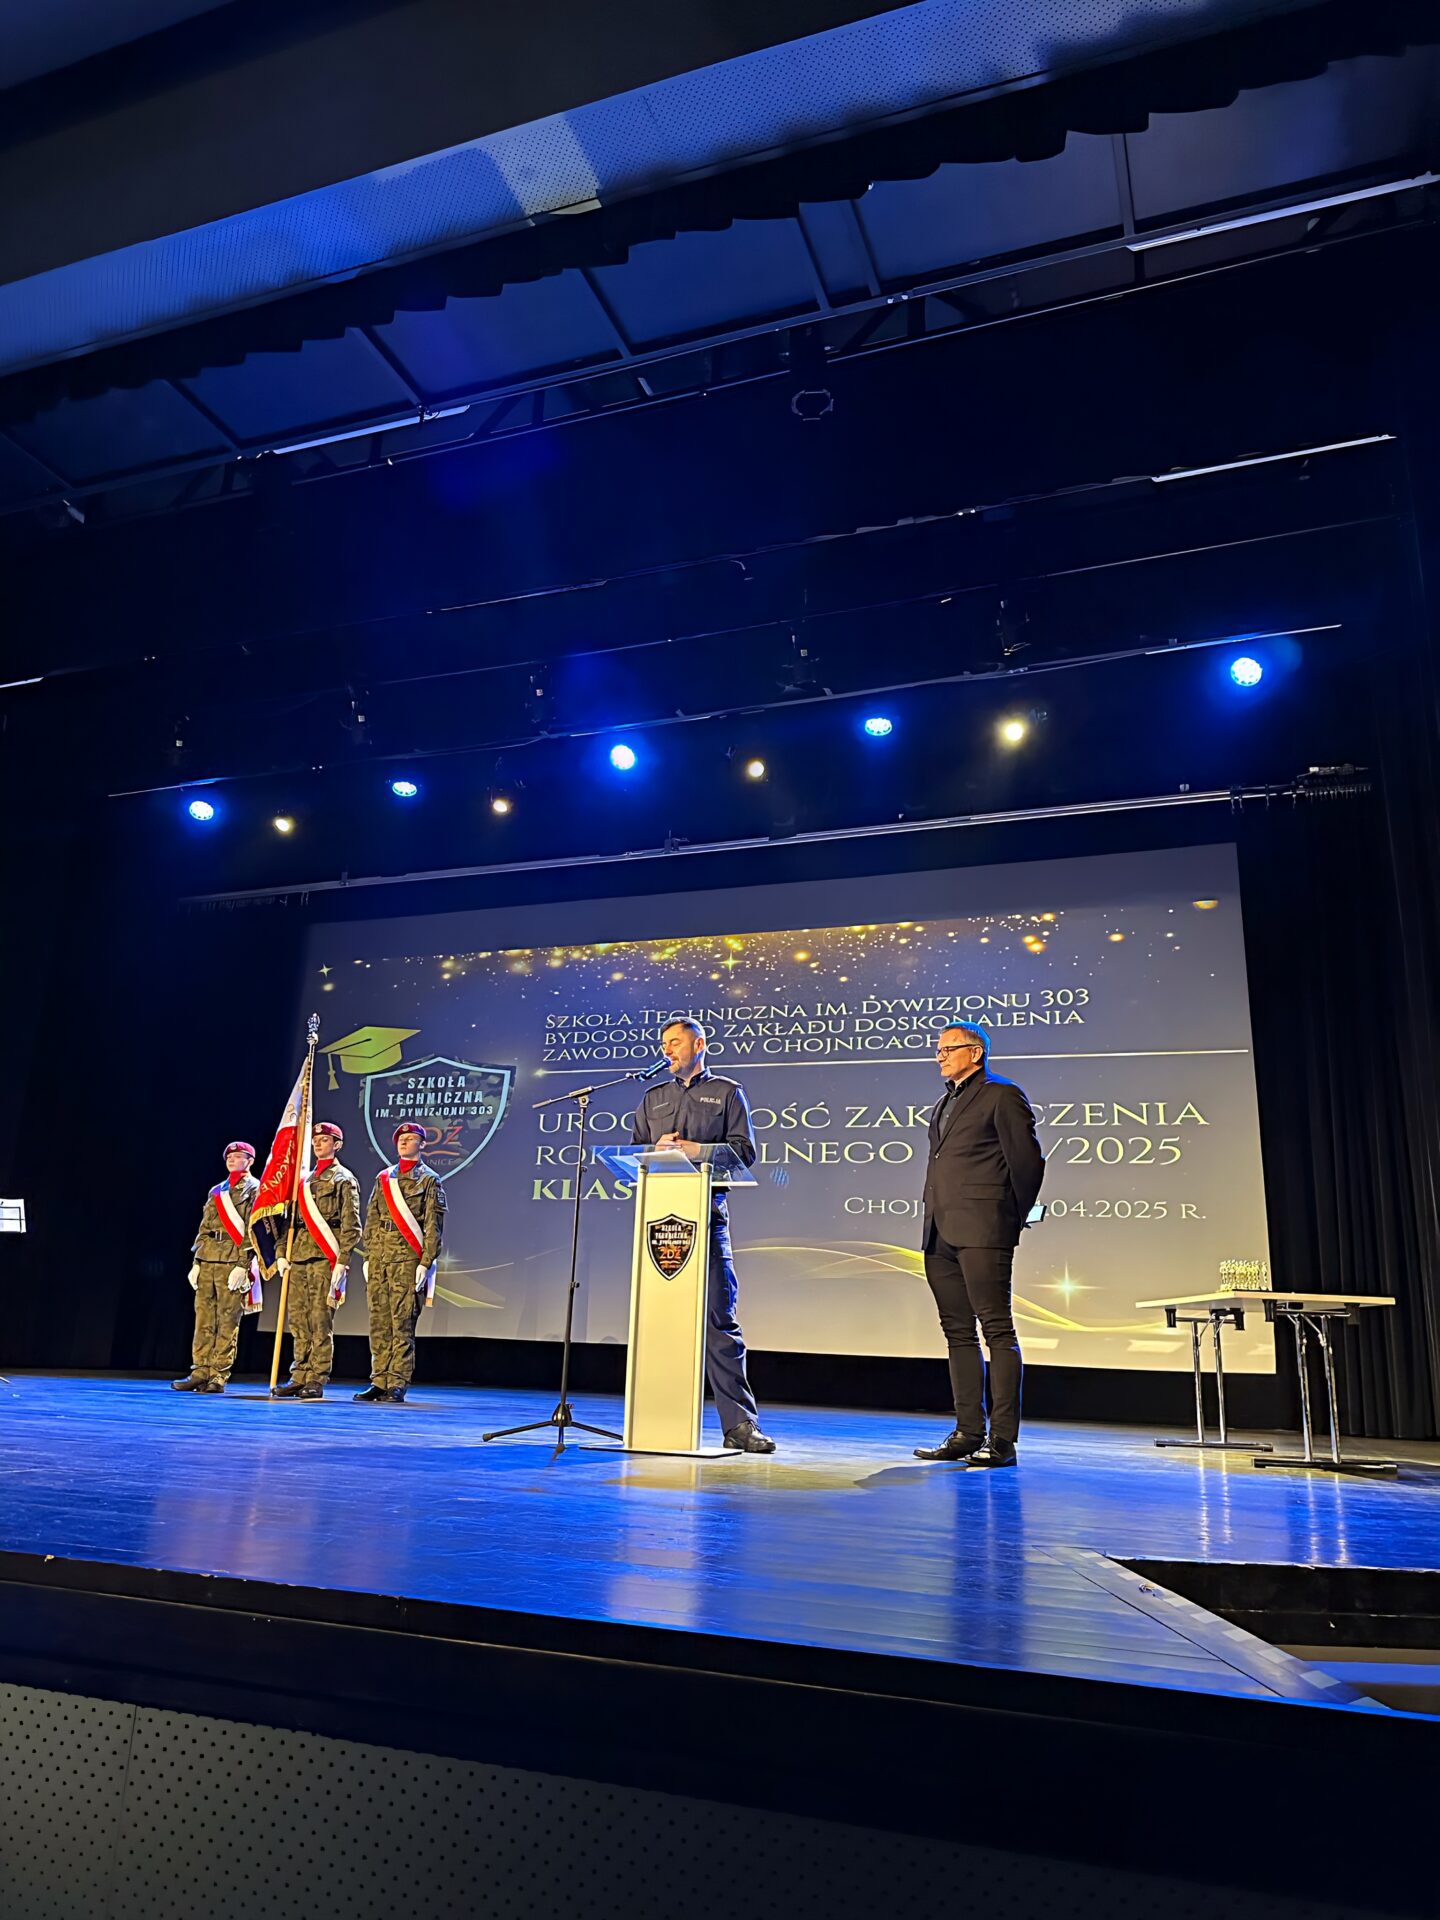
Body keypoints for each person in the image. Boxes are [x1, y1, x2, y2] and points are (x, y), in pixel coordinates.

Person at [631, 1018, 776, 1454]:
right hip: (659, 1221)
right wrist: (655, 1150)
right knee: (655, 1319)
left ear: (699, 1044)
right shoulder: (652, 1097)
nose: (668, 1049)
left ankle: (740, 1425)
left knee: (719, 1319)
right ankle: (653, 1421)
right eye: (664, 1043)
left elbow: (744, 1152)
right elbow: (636, 1154)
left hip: (706, 1217)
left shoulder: (728, 1093)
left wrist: (699, 1151)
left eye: (675, 1042)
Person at [914, 1023, 1044, 1469]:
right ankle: (967, 1432)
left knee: (997, 1331)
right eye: (938, 1050)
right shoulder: (944, 1101)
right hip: (939, 1230)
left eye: (948, 1049)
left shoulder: (1002, 1094)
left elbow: (1028, 1163)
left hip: (985, 1229)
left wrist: (1009, 1217)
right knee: (957, 1333)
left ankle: (1003, 1440)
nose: (940, 1056)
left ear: (975, 1052)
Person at [271, 1120, 362, 1401]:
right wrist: (281, 1253)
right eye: (315, 1140)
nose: (318, 1144)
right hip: (298, 1256)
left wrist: (342, 1261)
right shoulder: (303, 1181)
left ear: (337, 1144)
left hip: (325, 1256)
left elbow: (351, 1226)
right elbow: (288, 1223)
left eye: (324, 1140)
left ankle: (316, 1377)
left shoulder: (343, 1179)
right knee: (298, 1320)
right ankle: (299, 1374)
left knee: (320, 1320)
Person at [356, 1122, 446, 1403]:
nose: (404, 1142)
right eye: (401, 1139)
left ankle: (397, 1382)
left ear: (423, 1144)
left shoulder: (429, 1180)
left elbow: (432, 1225)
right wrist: (369, 1256)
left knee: (402, 1323)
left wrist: (426, 1262)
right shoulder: (384, 1178)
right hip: (380, 1258)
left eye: (410, 1138)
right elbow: (372, 1219)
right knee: (379, 1322)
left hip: (408, 1259)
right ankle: (379, 1380)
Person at [173, 1141, 259, 1394]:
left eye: (238, 1156)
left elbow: (253, 1229)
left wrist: (243, 1264)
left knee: (227, 1320)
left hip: (232, 1260)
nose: (232, 1159)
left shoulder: (255, 1189)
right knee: (204, 1320)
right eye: (229, 1156)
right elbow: (204, 1228)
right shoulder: (217, 1191)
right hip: (209, 1258)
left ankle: (218, 1374)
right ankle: (200, 1371)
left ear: (250, 1160)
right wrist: (197, 1262)